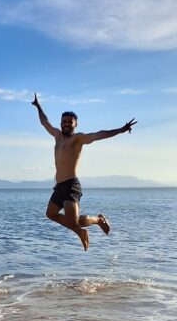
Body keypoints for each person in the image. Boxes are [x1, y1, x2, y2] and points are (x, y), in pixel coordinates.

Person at [32, 93, 137, 250]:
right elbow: (44, 122)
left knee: (74, 222)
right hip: (59, 186)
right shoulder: (57, 136)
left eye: (70, 122)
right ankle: (80, 232)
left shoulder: (78, 139)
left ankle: (98, 220)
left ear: (76, 124)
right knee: (51, 214)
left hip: (71, 185)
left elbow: (98, 135)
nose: (66, 124)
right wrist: (38, 106)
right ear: (61, 123)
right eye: (64, 121)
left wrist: (121, 130)